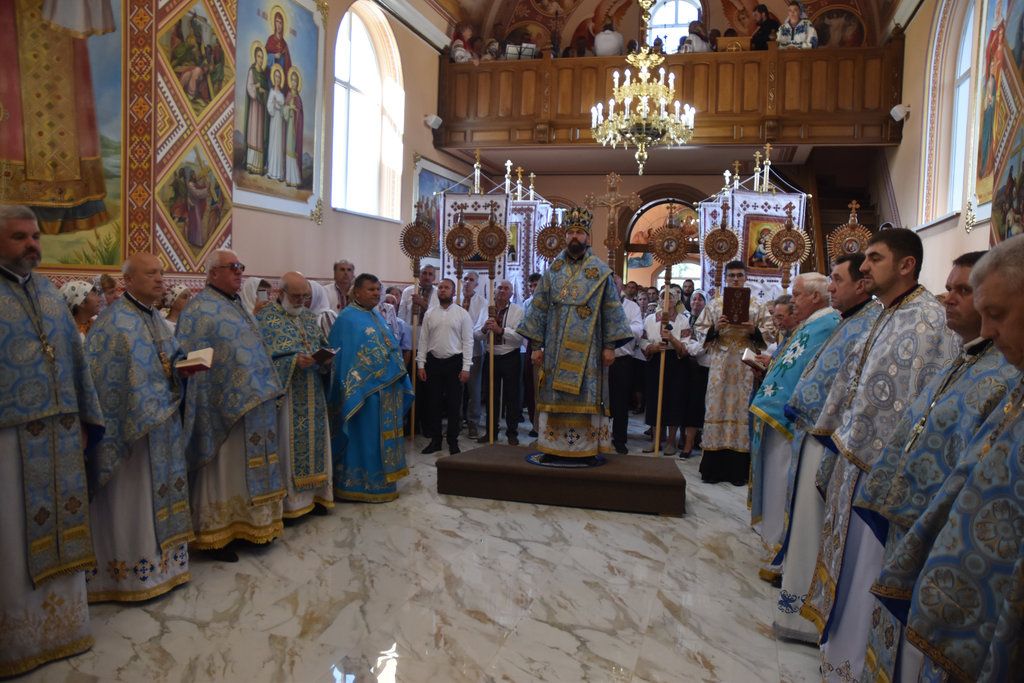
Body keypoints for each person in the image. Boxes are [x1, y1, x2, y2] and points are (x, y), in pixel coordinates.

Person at [850, 251, 1019, 682]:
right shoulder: (972, 358)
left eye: (995, 312)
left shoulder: (1003, 375)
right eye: (951, 289)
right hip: (922, 531)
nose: (988, 329)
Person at [802, 229, 958, 681]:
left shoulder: (928, 321)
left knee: (869, 573)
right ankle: (840, 660)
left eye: (875, 258)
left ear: (906, 265)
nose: (864, 266)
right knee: (851, 572)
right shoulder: (885, 313)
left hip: (885, 481)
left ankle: (857, 667)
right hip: (855, 465)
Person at [0, 205, 105, 676]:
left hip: (61, 436)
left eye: (35, 236)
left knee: (64, 525)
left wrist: (84, 415)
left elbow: (74, 359)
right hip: (9, 441)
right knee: (12, 534)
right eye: (19, 236)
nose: (32, 245)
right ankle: (16, 641)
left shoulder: (47, 292)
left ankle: (65, 629)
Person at [772, 252, 878, 643]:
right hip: (814, 431)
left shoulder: (865, 323)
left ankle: (806, 616)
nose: (831, 287)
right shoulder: (847, 320)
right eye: (829, 279)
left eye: (837, 279)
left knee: (814, 530)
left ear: (861, 285)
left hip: (830, 440)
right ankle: (797, 609)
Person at [84, 253, 194, 603]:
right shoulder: (114, 323)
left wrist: (184, 366)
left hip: (162, 426)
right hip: (131, 432)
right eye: (151, 274)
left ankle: (167, 568)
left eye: (161, 273)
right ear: (128, 281)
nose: (160, 279)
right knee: (132, 498)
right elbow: (105, 382)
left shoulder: (154, 318)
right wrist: (148, 400)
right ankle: (129, 574)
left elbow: (167, 360)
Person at [176, 249, 286, 562]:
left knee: (250, 469)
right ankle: (219, 534)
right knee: (225, 471)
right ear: (213, 273)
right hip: (221, 408)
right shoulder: (199, 309)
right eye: (233, 267)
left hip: (256, 404)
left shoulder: (236, 304)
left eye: (241, 267)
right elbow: (190, 358)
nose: (239, 272)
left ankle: (255, 526)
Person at [517, 208, 632, 460]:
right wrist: (535, 346)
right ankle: (553, 447)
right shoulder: (553, 271)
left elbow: (611, 309)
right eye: (570, 232)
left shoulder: (600, 272)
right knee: (554, 397)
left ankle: (585, 450)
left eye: (579, 232)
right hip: (555, 349)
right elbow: (539, 308)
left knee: (585, 397)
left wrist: (609, 346)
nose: (574, 237)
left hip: (589, 352)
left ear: (588, 237)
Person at [748, 273, 838, 580]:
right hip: (781, 413)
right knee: (776, 478)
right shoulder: (812, 324)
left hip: (793, 418)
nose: (792, 300)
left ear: (814, 296)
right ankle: (774, 543)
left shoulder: (826, 324)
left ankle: (780, 545)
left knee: (782, 479)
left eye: (797, 294)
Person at [328, 274, 414, 501]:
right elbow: (343, 357)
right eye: (371, 289)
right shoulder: (347, 318)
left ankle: (384, 482)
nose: (376, 293)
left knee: (380, 438)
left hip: (387, 389)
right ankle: (359, 485)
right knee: (365, 438)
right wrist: (360, 383)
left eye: (378, 289)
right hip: (364, 394)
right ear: (357, 292)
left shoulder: (375, 314)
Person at [256, 272, 333, 520]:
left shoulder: (309, 317)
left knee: (318, 445)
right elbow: (260, 360)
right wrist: (292, 361)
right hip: (287, 396)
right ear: (281, 293)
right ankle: (292, 505)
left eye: (305, 296)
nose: (301, 301)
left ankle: (318, 496)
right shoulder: (266, 318)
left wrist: (325, 358)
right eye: (296, 296)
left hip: (313, 390)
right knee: (287, 447)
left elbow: (322, 344)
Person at [693, 260, 773, 485]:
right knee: (716, 406)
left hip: (744, 366)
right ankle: (713, 470)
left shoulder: (757, 306)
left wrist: (754, 330)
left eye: (739, 275)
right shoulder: (715, 305)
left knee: (741, 410)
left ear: (746, 277)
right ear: (725, 278)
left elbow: (770, 333)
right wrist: (715, 329)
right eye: (732, 276)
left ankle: (738, 471)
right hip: (720, 365)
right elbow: (699, 330)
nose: (735, 279)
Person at [418, 278, 474, 454]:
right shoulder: (430, 313)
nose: (442, 290)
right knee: (433, 403)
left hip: (454, 363)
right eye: (440, 287)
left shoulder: (462, 314)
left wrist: (466, 367)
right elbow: (423, 340)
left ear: (453, 291)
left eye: (446, 287)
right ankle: (436, 440)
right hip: (433, 362)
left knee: (453, 404)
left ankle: (452, 441)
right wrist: (421, 364)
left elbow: (468, 341)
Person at [640, 285, 689, 456]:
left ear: (677, 300)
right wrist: (652, 347)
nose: (667, 300)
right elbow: (643, 340)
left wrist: (672, 340)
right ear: (659, 300)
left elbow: (686, 345)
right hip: (656, 360)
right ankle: (655, 440)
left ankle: (671, 441)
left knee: (673, 400)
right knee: (654, 399)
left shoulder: (682, 320)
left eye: (671, 297)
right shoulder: (650, 319)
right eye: (663, 296)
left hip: (674, 362)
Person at [475, 279, 524, 445]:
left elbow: (519, 337)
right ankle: (491, 432)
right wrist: (484, 329)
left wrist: (500, 330)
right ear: (494, 291)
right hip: (491, 356)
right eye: (500, 288)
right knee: (490, 395)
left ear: (511, 293)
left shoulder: (518, 310)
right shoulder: (486, 309)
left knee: (512, 395)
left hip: (510, 356)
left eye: (506, 288)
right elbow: (476, 335)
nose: (502, 291)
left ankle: (512, 432)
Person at [609, 275, 642, 454]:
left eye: (614, 283)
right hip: (600, 361)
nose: (611, 286)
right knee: (600, 399)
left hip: (622, 360)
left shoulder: (631, 306)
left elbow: (638, 329)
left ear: (620, 287)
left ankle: (620, 438)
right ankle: (598, 435)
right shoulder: (597, 303)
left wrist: (619, 329)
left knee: (620, 402)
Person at [680, 290, 711, 457]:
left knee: (702, 405)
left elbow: (705, 345)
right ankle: (686, 441)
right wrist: (696, 347)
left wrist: (696, 347)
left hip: (705, 367)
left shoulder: (710, 321)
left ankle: (702, 441)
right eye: (694, 299)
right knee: (688, 405)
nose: (696, 302)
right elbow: (686, 343)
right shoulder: (686, 320)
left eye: (700, 299)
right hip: (687, 367)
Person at [461, 271, 488, 439]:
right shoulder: (455, 299)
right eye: (465, 279)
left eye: (471, 280)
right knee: (456, 389)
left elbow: (480, 329)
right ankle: (455, 421)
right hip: (455, 351)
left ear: (476, 284)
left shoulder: (482, 303)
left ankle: (473, 423)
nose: (467, 282)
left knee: (474, 389)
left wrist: (465, 334)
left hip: (474, 352)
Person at [522, 272, 543, 436]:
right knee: (532, 387)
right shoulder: (527, 303)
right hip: (531, 347)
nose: (533, 288)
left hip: (547, 347)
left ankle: (546, 424)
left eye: (536, 285)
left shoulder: (551, 302)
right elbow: (524, 328)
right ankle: (536, 425)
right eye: (531, 285)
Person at [244, 44, 269, 175]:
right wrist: (256, 86)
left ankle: (258, 166)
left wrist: (264, 91)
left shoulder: (264, 75)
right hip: (254, 106)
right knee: (253, 132)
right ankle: (250, 164)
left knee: (259, 135)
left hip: (261, 107)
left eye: (262, 57)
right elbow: (249, 87)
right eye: (259, 56)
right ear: (255, 57)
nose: (260, 59)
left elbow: (267, 90)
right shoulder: (252, 71)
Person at [283, 67, 304, 188]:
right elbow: (284, 110)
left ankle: (295, 179)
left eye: (295, 80)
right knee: (288, 149)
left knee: (293, 150)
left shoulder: (298, 99)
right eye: (292, 80)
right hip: (289, 126)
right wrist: (289, 108)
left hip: (295, 128)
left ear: (298, 82)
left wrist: (296, 110)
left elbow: (300, 113)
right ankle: (289, 178)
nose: (294, 82)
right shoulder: (289, 95)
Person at [265, 65, 286, 181]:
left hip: (279, 121)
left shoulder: (282, 95)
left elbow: (283, 109)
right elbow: (269, 108)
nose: (277, 79)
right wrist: (274, 104)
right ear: (274, 78)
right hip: (274, 121)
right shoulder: (272, 92)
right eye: (276, 76)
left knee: (278, 145)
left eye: (279, 77)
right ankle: (271, 171)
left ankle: (279, 173)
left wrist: (278, 105)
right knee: (272, 144)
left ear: (280, 79)